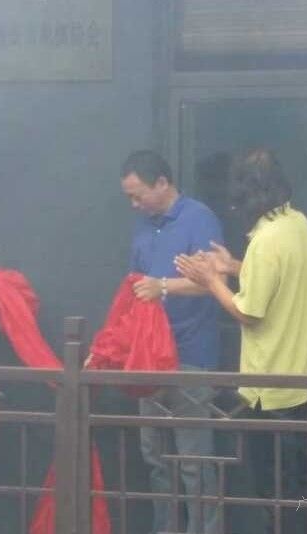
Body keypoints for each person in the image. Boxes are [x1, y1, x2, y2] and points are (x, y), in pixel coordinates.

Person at [176, 148, 307, 533]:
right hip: (305, 383)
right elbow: (278, 277)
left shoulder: (265, 239)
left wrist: (212, 281)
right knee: (300, 493)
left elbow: (249, 311)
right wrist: (232, 266)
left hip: (270, 390)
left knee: (275, 496)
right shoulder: (297, 223)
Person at [119, 149, 221, 534]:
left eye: (138, 195)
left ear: (162, 183)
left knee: (195, 462)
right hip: (149, 357)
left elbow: (215, 283)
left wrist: (162, 286)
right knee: (156, 459)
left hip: (190, 355)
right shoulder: (143, 226)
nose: (134, 204)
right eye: (129, 197)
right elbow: (134, 288)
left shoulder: (199, 218)